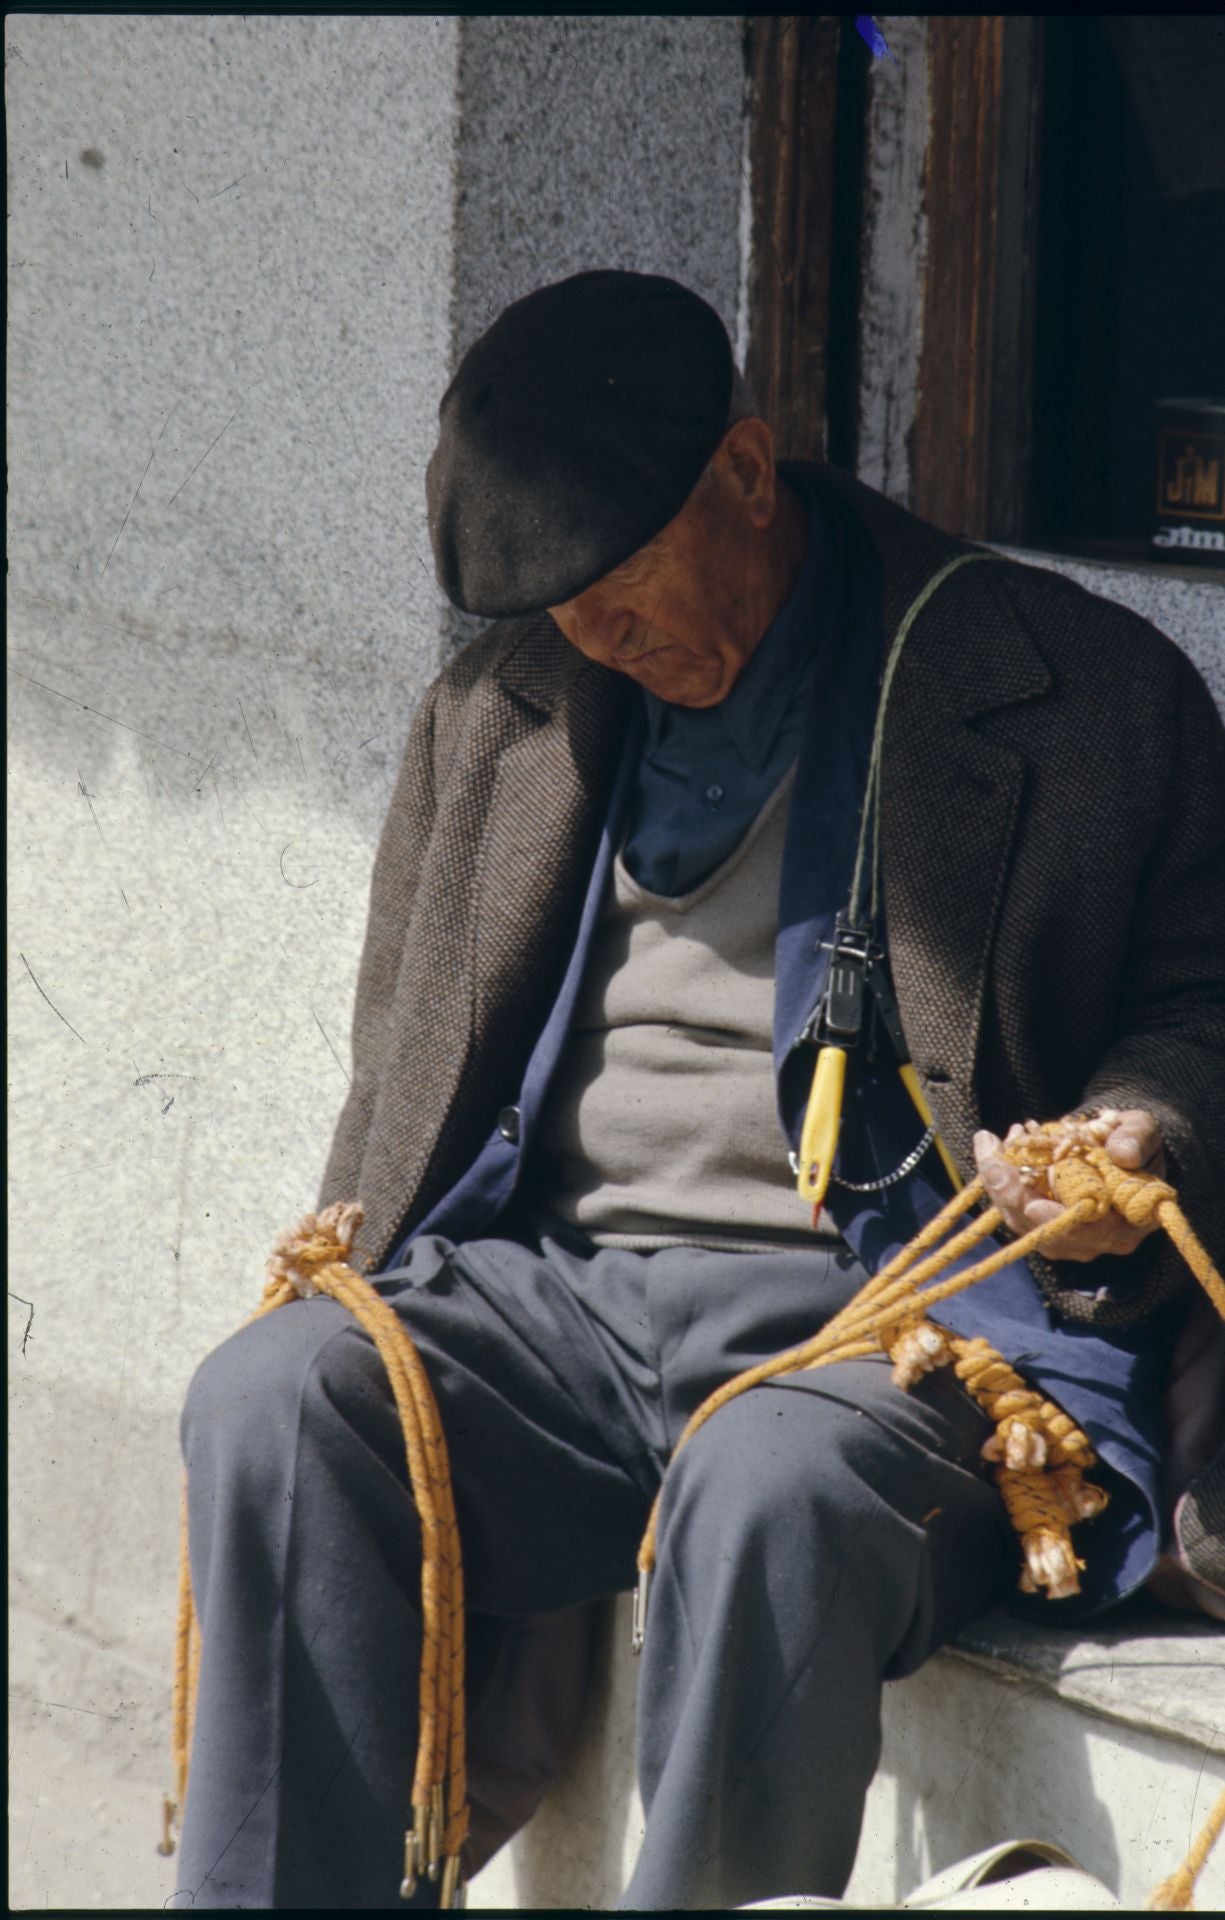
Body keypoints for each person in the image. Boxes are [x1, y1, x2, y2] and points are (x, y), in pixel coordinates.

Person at [174, 271, 1225, 1911]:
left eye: (624, 601)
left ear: (745, 474)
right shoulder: (498, 705)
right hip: (553, 1304)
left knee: (769, 1486)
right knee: (276, 1401)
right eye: (566, 622)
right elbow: (404, 1059)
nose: (601, 645)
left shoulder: (1075, 686)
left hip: (902, 1323)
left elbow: (1201, 996)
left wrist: (1133, 1124)